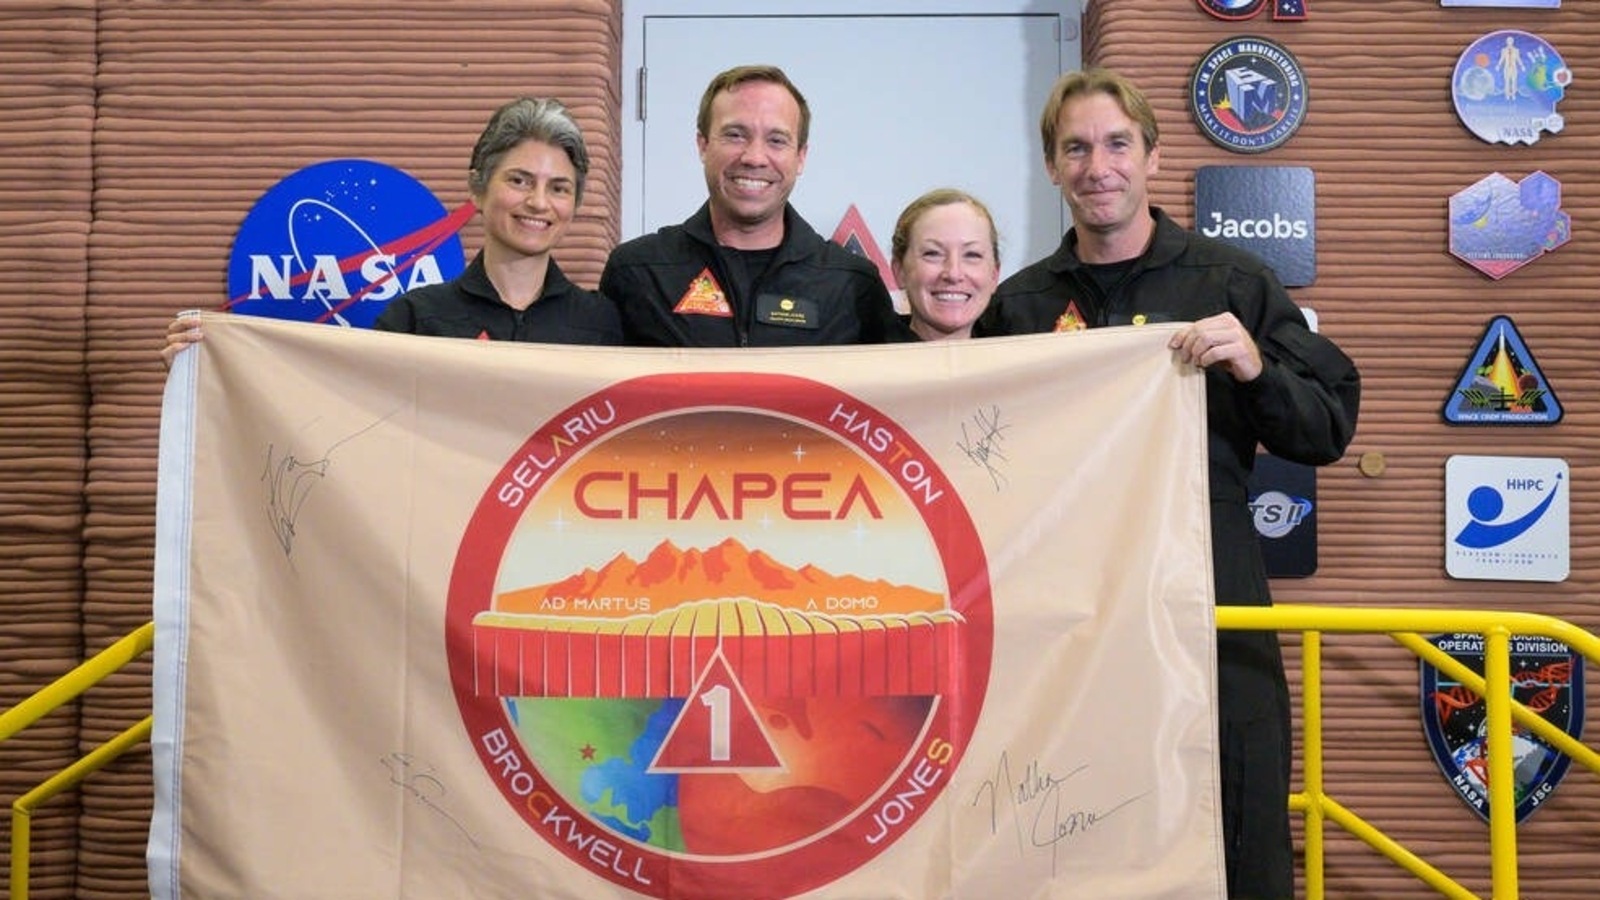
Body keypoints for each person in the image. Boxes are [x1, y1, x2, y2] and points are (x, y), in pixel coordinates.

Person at [977, 68, 1360, 899]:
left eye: (1117, 144)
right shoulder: (1019, 305)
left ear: (1152, 156)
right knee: (1073, 818)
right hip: (1069, 607)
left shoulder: (1232, 282)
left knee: (1236, 805)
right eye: (1076, 149)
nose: (1098, 167)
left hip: (1209, 588)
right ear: (1051, 166)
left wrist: (1256, 369)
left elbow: (1326, 427)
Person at [161, 96, 622, 365]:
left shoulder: (604, 323)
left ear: (575, 205)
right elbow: (330, 404)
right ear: (477, 189)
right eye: (519, 181)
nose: (538, 202)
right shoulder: (417, 318)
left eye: (558, 188)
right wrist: (211, 368)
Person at [599, 64, 908, 347]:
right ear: (702, 145)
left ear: (801, 157)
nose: (754, 157)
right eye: (735, 135)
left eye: (777, 140)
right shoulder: (637, 271)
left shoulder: (853, 283)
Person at [889, 188, 1000, 342]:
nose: (954, 274)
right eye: (933, 254)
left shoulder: (1020, 356)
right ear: (899, 271)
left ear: (994, 275)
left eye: (972, 255)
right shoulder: (864, 357)